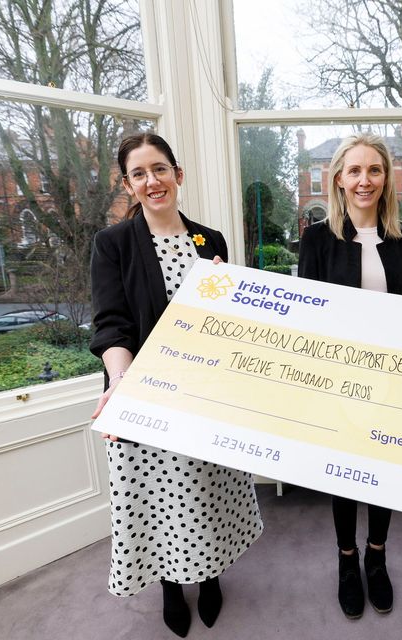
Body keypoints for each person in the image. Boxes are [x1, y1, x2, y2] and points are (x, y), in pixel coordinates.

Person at [89, 133, 263, 638]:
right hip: (143, 396)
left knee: (207, 490)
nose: (152, 181)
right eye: (139, 174)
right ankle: (170, 585)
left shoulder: (211, 241)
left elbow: (226, 321)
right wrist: (121, 383)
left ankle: (209, 576)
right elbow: (111, 324)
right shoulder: (113, 244)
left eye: (160, 169)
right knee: (161, 498)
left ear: (177, 174)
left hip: (206, 393)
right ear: (129, 185)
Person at [298, 132, 402, 619]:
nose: (364, 180)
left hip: (392, 377)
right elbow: (306, 315)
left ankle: (377, 555)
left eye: (374, 170)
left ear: (386, 178)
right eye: (355, 170)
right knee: (345, 473)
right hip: (339, 378)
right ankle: (347, 559)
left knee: (384, 470)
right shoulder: (317, 238)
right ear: (339, 179)